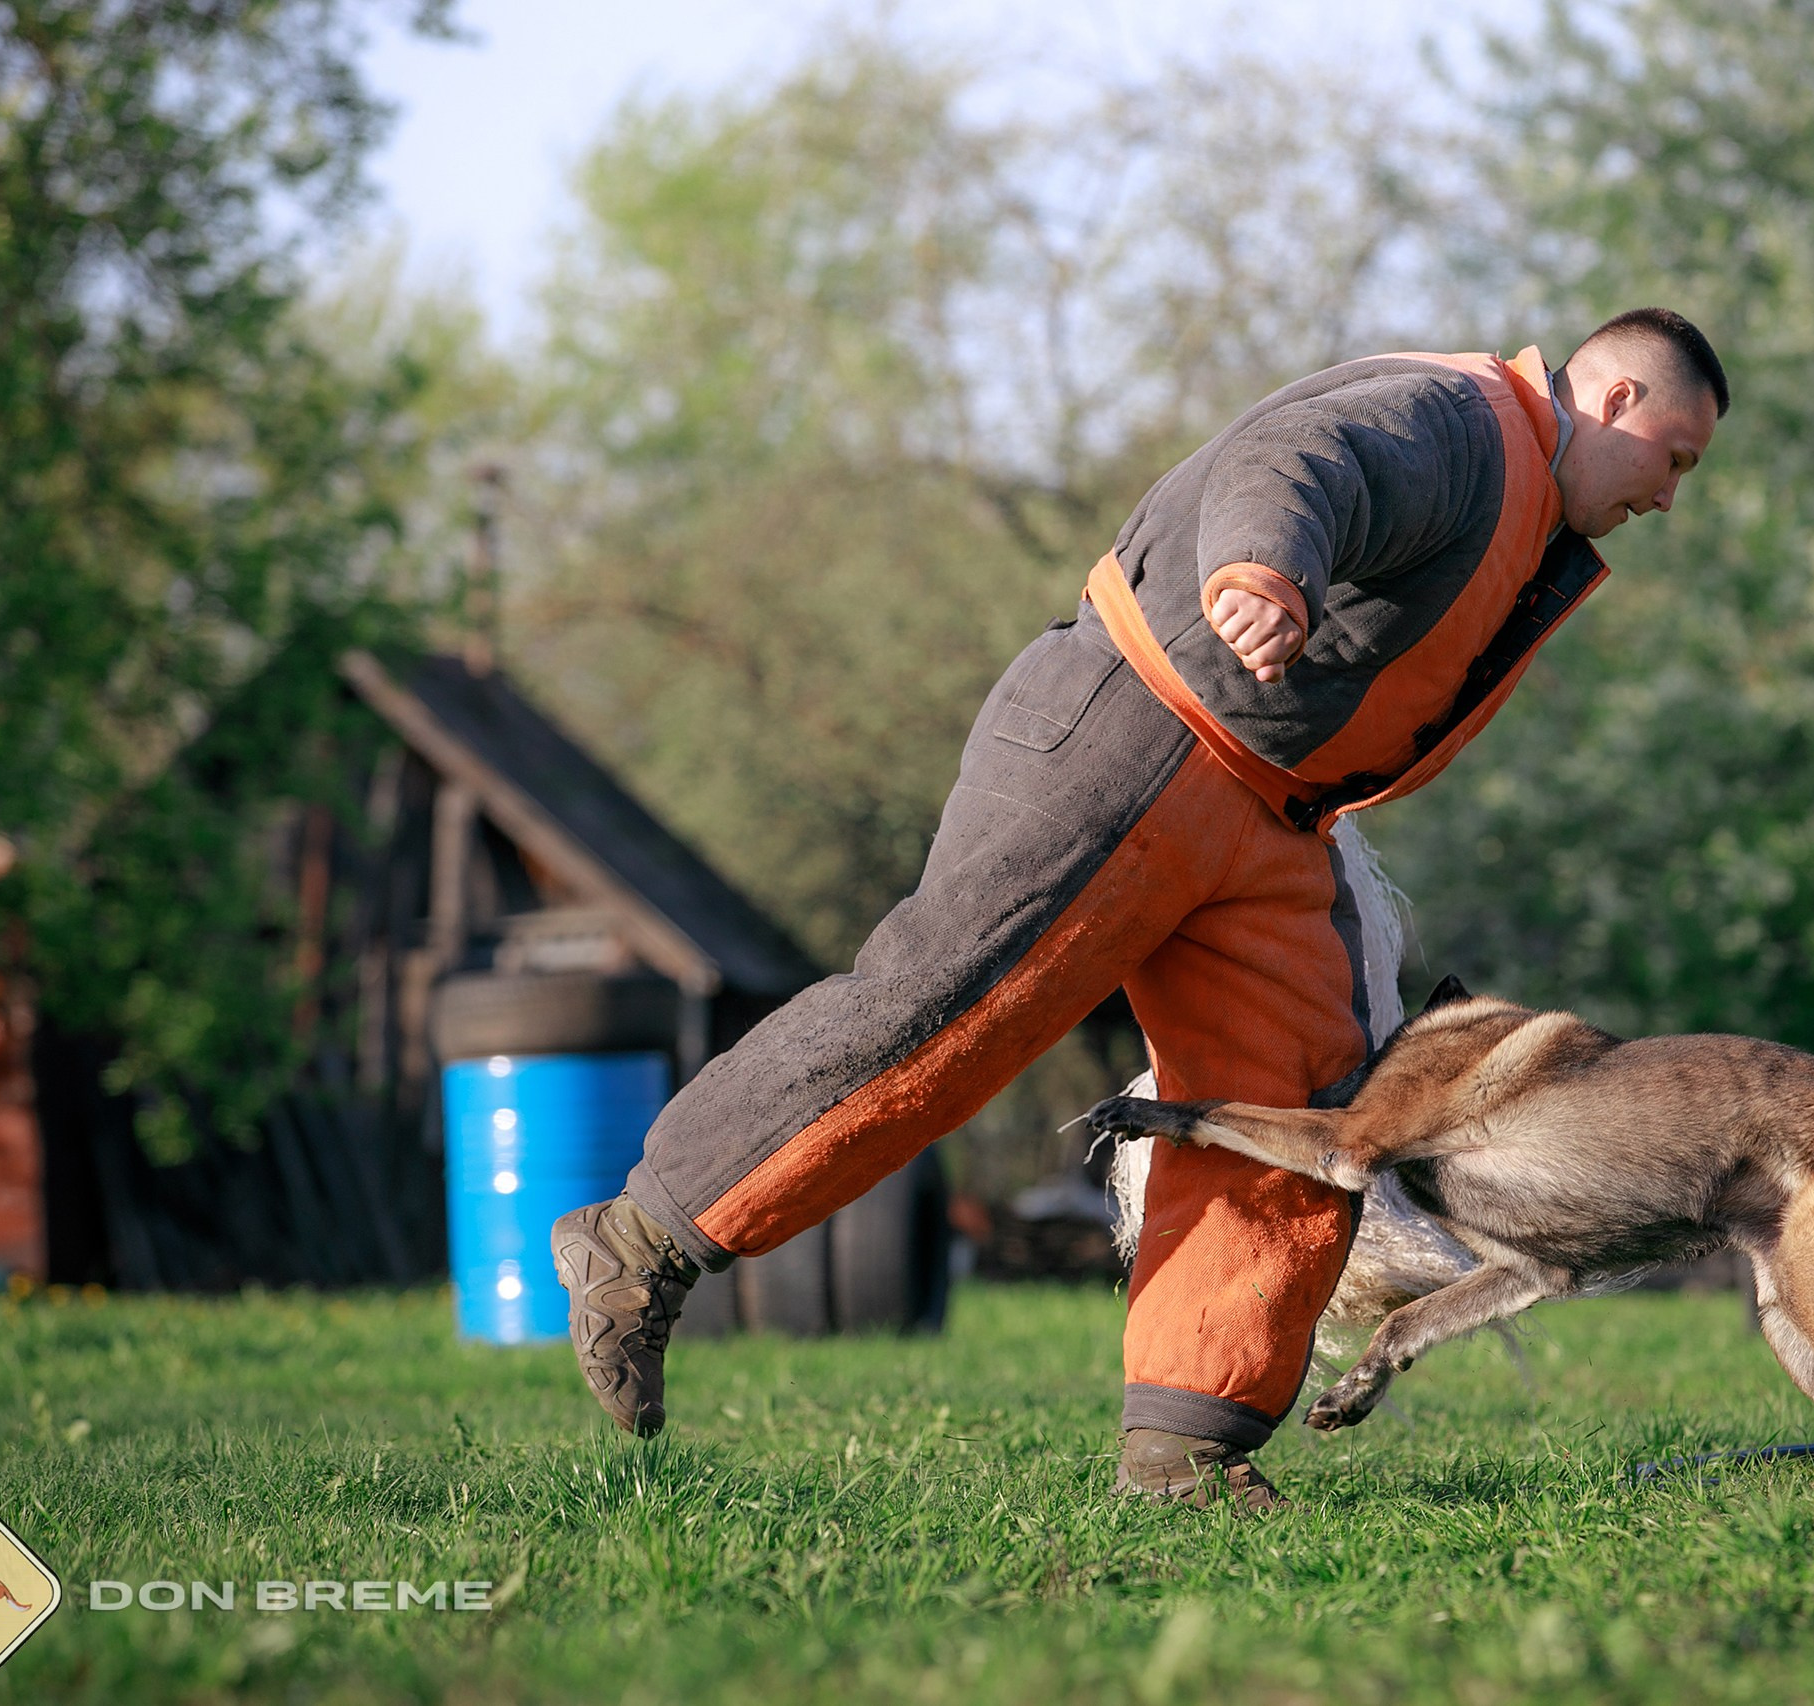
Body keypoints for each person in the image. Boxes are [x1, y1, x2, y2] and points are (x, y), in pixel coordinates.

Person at [552, 307, 1728, 1509]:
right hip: (1137, 732)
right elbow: (1298, 458)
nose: (1667, 497)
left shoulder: (1516, 480)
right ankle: (638, 1243)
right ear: (1617, 399)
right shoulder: (1459, 424)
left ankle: (1185, 1449)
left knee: (1296, 1109)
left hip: (1269, 808)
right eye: (1674, 458)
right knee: (946, 1017)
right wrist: (1261, 570)